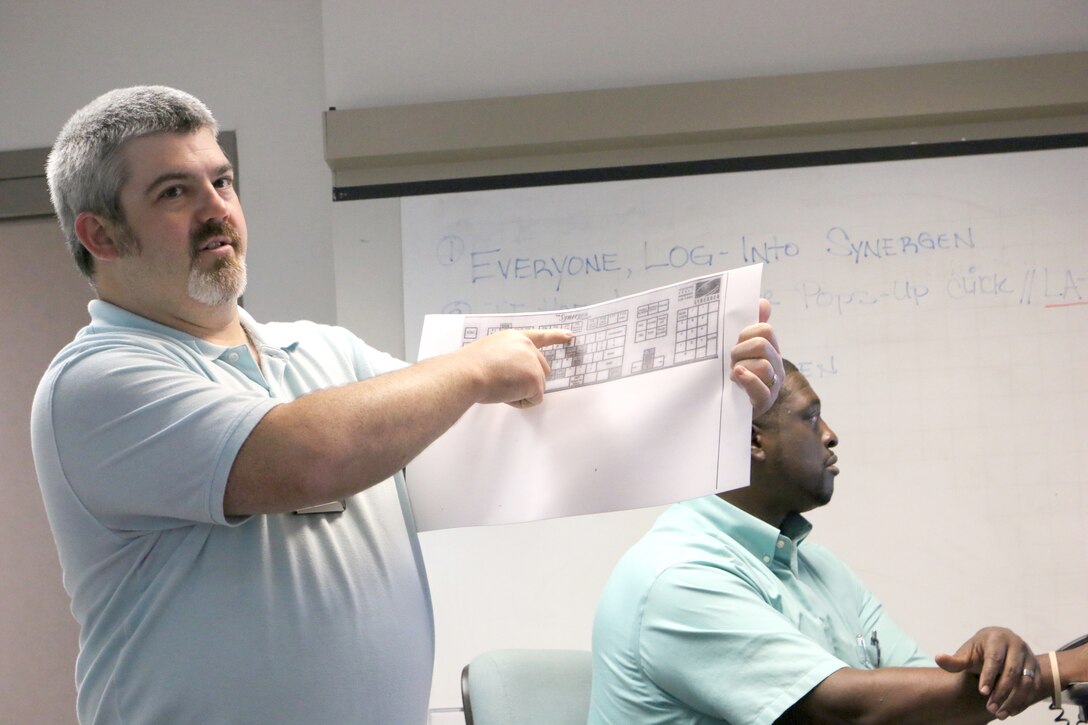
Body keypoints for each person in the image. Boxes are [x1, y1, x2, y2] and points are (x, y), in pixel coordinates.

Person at [31, 86, 784, 724]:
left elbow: (517, 428)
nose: (216, 208)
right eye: (175, 191)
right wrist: (472, 368)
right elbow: (307, 458)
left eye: (222, 181)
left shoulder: (322, 353)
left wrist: (713, 382)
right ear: (100, 233)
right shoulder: (96, 383)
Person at [588, 359, 1088, 724]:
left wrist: (992, 662)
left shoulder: (817, 567)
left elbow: (926, 705)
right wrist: (1062, 668)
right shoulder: (676, 578)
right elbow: (840, 710)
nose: (831, 435)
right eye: (810, 417)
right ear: (753, 441)